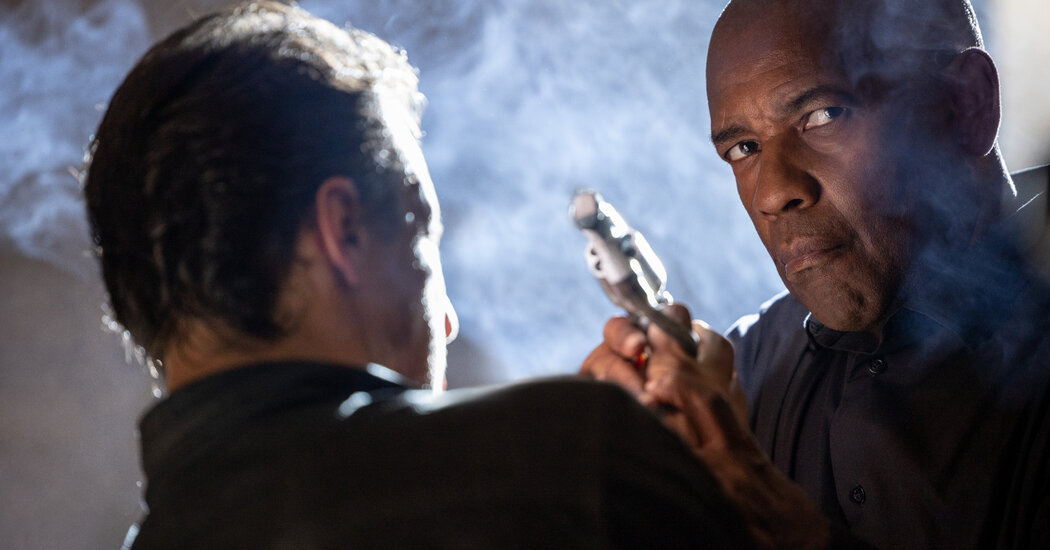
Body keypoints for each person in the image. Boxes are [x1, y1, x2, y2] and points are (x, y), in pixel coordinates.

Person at [82, 3, 757, 548]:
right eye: (421, 237)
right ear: (344, 229)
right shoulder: (570, 468)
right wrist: (721, 482)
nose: (449, 322)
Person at [582, 0, 1050, 548]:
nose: (773, 192)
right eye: (744, 148)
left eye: (824, 115)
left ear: (966, 103)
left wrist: (764, 508)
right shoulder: (747, 371)